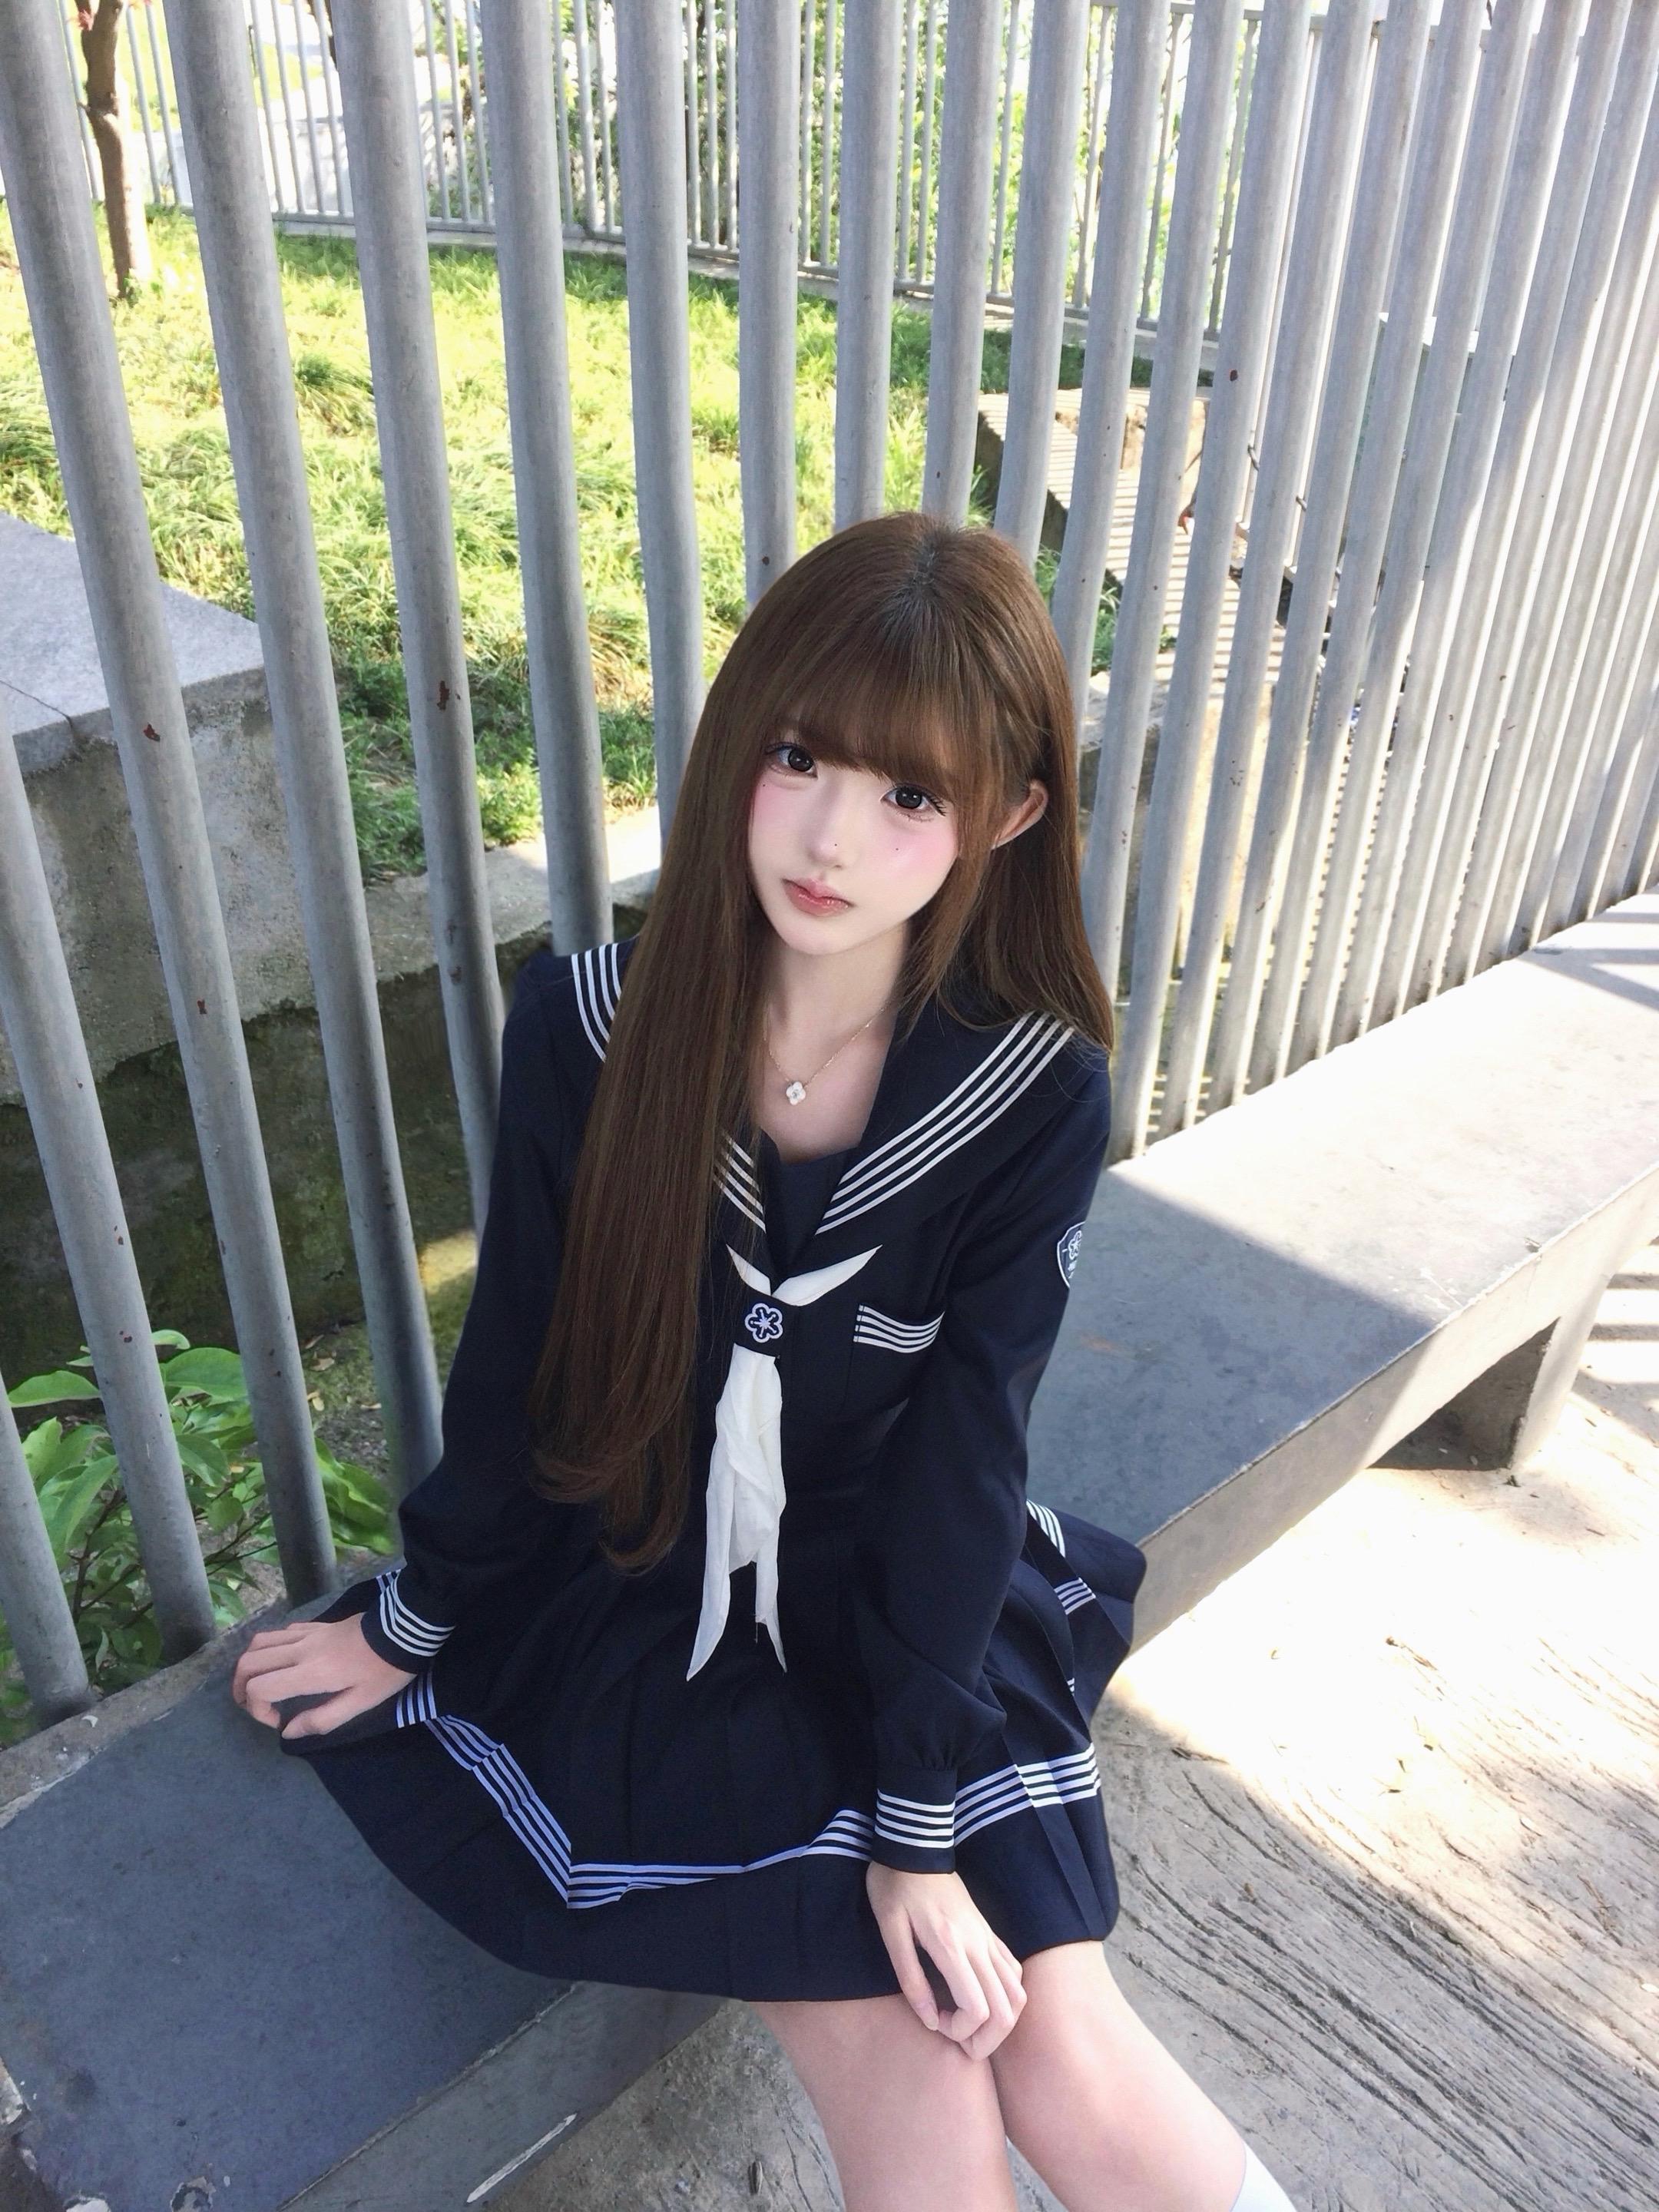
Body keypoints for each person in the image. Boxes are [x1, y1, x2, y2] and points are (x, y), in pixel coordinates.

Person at [232, 512, 1297, 2211]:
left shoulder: (1027, 1095)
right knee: (921, 2064)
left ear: (1009, 817)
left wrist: (919, 1825)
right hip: (654, 1599)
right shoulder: (593, 1028)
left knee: (1061, 2042)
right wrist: (414, 1623)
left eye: (909, 795)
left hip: (900, 1599)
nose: (827, 837)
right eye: (798, 756)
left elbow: (966, 1457)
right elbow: (521, 1373)